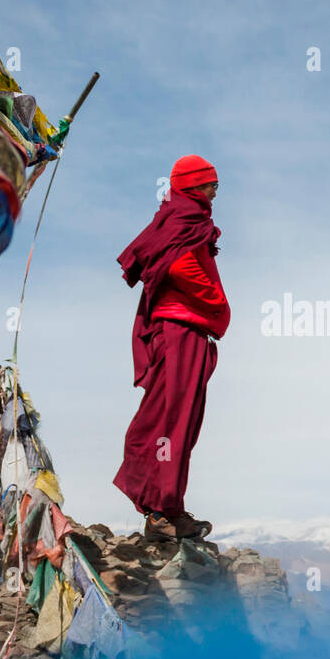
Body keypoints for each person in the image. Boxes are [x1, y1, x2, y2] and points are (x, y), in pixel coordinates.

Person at [113, 155, 230, 540]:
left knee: (183, 420)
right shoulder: (183, 217)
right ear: (195, 185)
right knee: (170, 418)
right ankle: (158, 509)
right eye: (211, 183)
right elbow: (177, 265)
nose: (216, 190)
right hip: (180, 329)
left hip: (186, 331)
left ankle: (170, 507)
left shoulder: (183, 216)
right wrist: (215, 301)